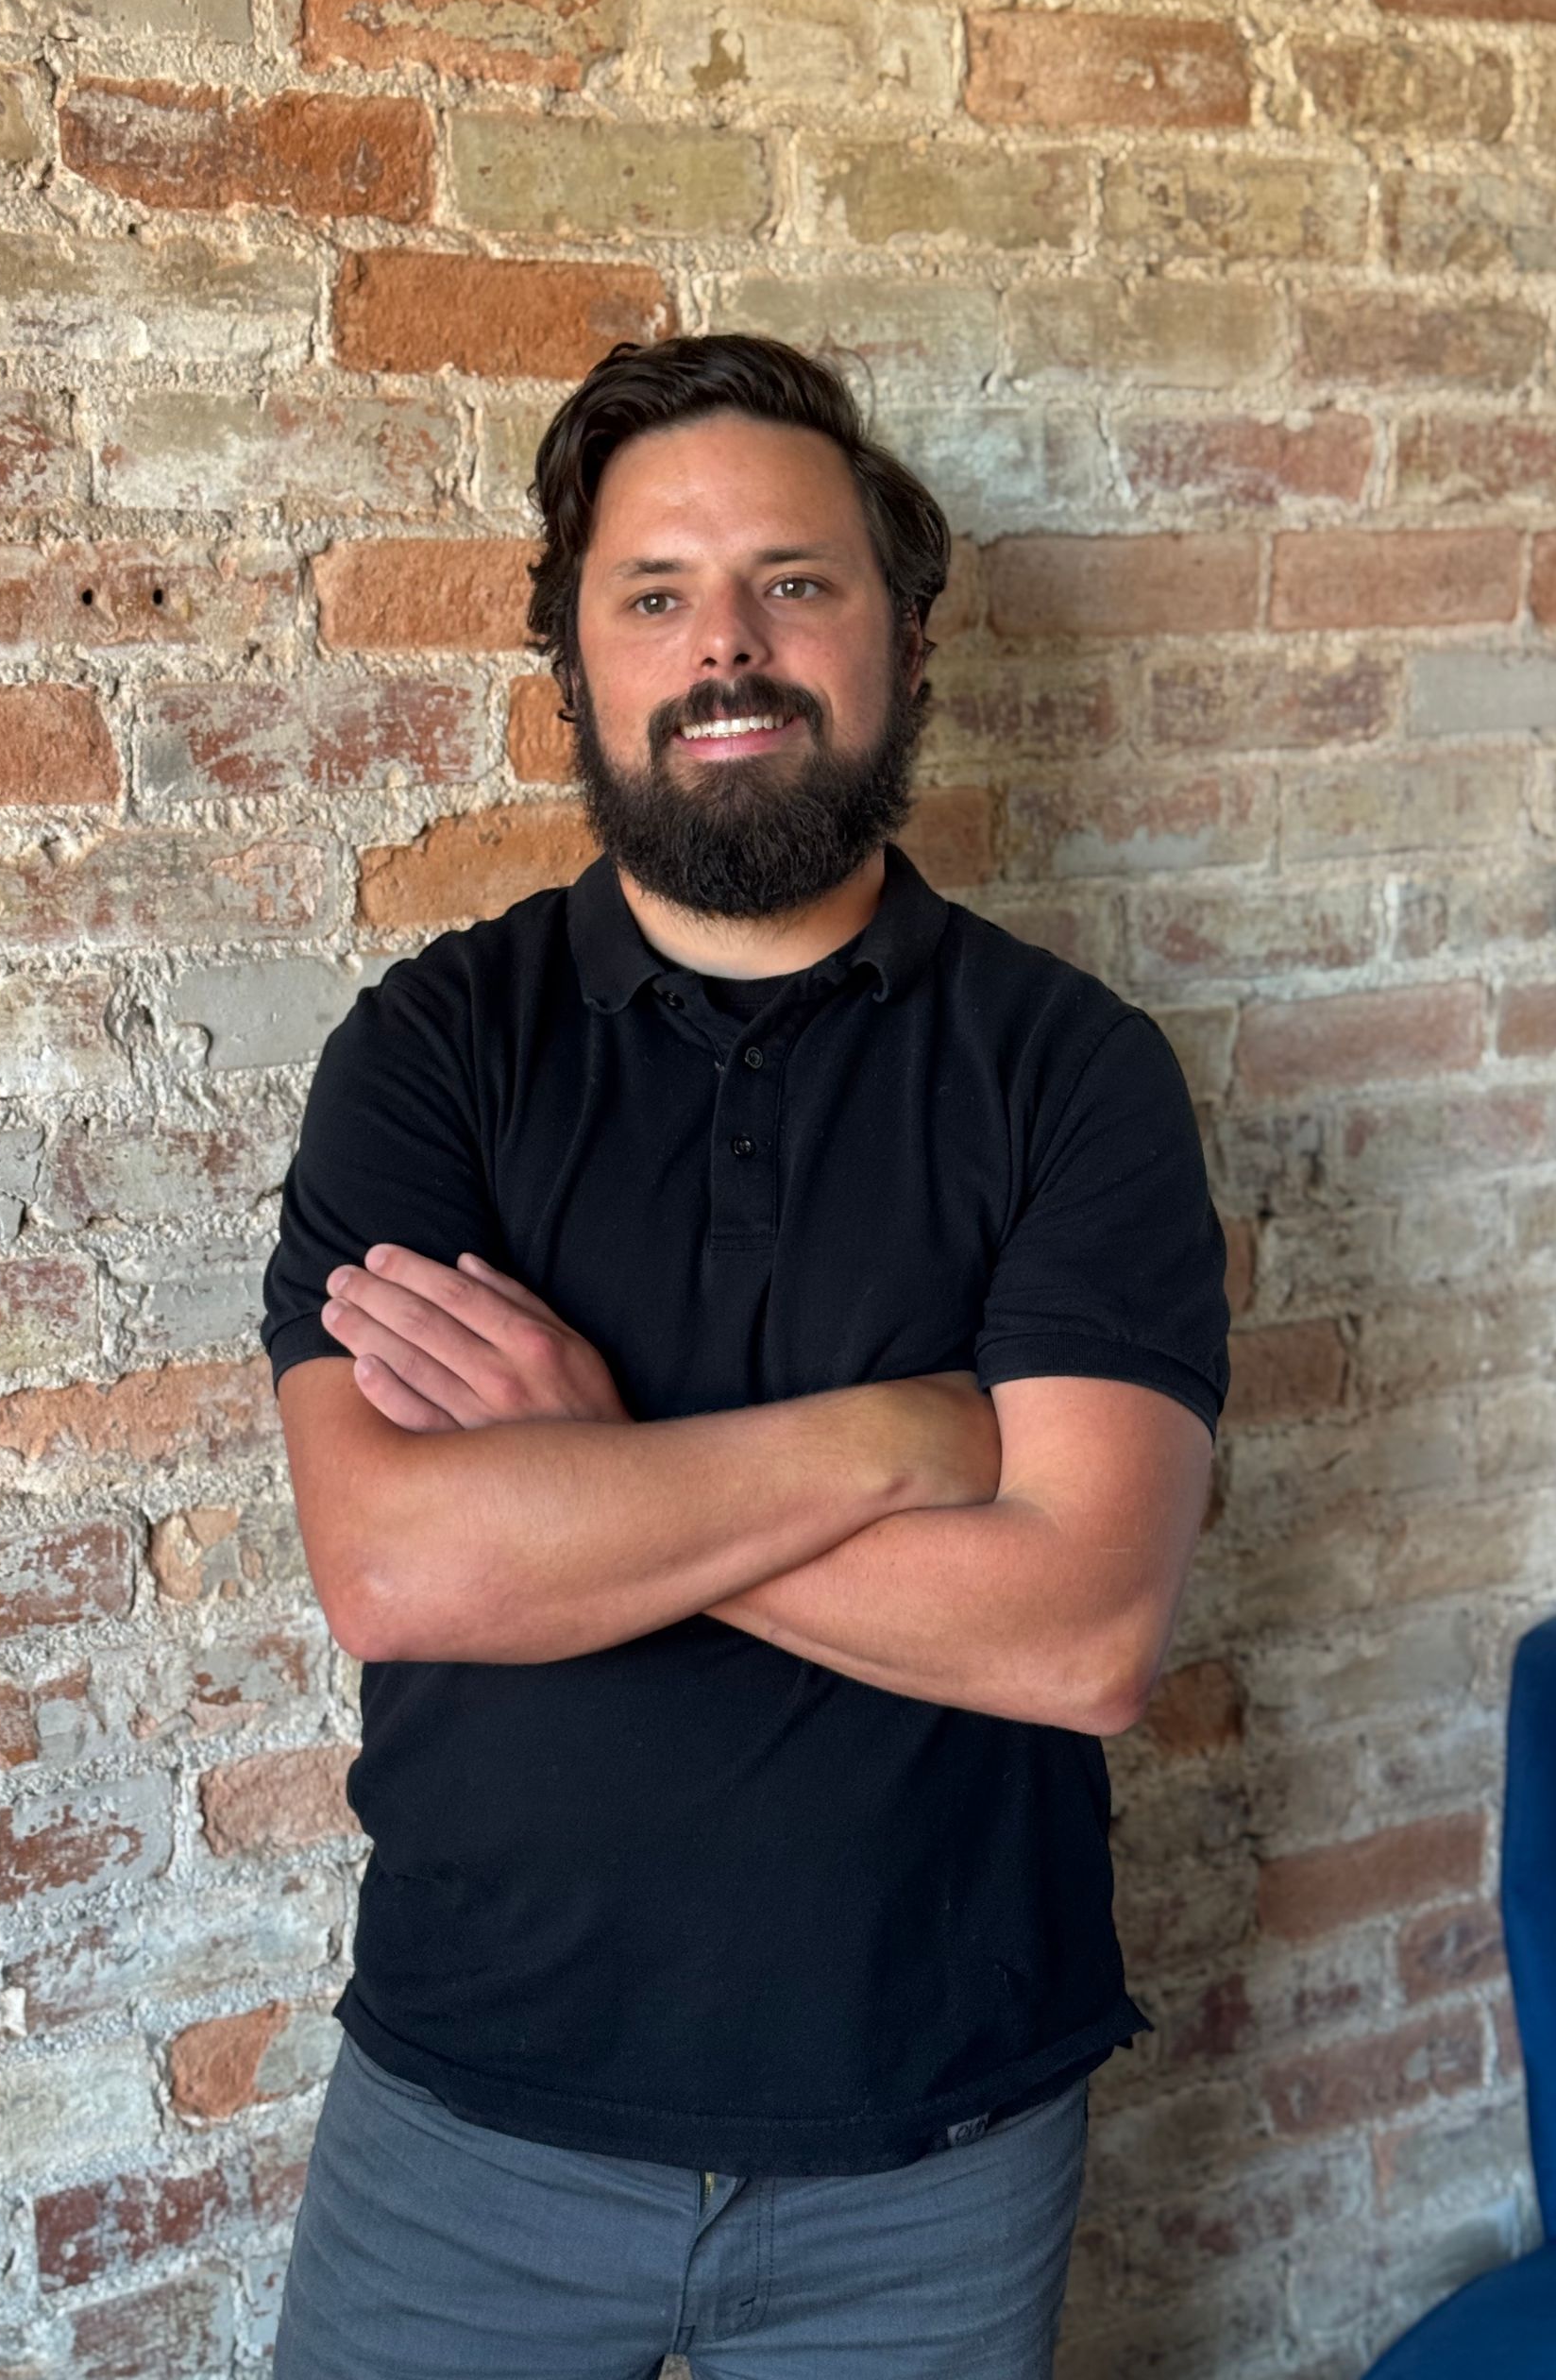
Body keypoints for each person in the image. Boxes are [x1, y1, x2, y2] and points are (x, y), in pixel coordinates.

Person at [262, 332, 1230, 2379]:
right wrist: (902, 1437)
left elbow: (1079, 1635)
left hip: (935, 2151)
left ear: (901, 638)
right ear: (577, 663)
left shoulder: (1075, 1075)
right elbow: (403, 1566)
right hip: (468, 2130)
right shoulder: (430, 1054)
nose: (729, 647)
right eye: (656, 594)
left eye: (794, 581)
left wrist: (592, 1463)